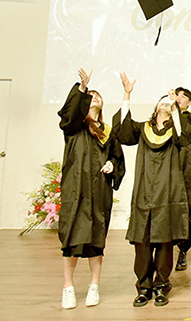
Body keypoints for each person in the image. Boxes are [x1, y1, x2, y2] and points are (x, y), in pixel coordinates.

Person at [116, 73, 191, 308]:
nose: (166, 104)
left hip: (168, 193)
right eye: (163, 101)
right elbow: (122, 132)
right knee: (142, 243)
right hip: (144, 193)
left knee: (164, 242)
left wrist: (175, 109)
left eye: (170, 103)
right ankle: (143, 287)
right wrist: (127, 94)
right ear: (156, 107)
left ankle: (161, 285)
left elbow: (184, 138)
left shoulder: (176, 130)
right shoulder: (143, 129)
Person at [57, 68, 125, 310]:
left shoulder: (107, 133)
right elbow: (68, 114)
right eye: (90, 96)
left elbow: (117, 157)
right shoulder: (74, 127)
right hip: (76, 191)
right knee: (72, 241)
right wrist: (82, 88)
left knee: (96, 241)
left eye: (98, 96)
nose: (95, 97)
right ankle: (68, 287)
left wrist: (112, 164)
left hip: (98, 192)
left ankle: (94, 286)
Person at [173, 87, 191, 272]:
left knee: (185, 203)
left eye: (183, 96)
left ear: (189, 102)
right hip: (168, 160)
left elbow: (188, 133)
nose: (179, 98)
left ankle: (183, 250)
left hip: (187, 159)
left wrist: (175, 112)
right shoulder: (163, 116)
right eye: (177, 95)